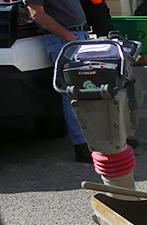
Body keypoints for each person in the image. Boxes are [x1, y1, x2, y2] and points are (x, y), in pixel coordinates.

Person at [25, 0, 91, 163]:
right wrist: (69, 36)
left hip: (77, 36)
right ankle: (82, 146)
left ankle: (94, 141)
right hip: (64, 39)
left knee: (86, 89)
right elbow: (36, 13)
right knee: (72, 92)